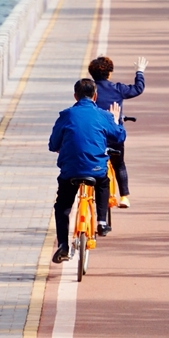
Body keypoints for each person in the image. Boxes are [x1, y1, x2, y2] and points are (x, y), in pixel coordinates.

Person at [48, 78, 125, 263]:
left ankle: (63, 245)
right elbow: (119, 136)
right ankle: (102, 221)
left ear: (75, 96)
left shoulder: (66, 115)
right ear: (95, 96)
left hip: (70, 171)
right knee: (103, 182)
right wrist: (115, 120)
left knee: (62, 206)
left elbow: (53, 144)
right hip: (96, 169)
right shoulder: (103, 115)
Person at [88, 55, 148, 208]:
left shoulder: (90, 90)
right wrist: (139, 72)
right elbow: (137, 89)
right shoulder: (118, 88)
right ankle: (124, 197)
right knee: (119, 164)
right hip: (113, 135)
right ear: (109, 73)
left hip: (95, 136)